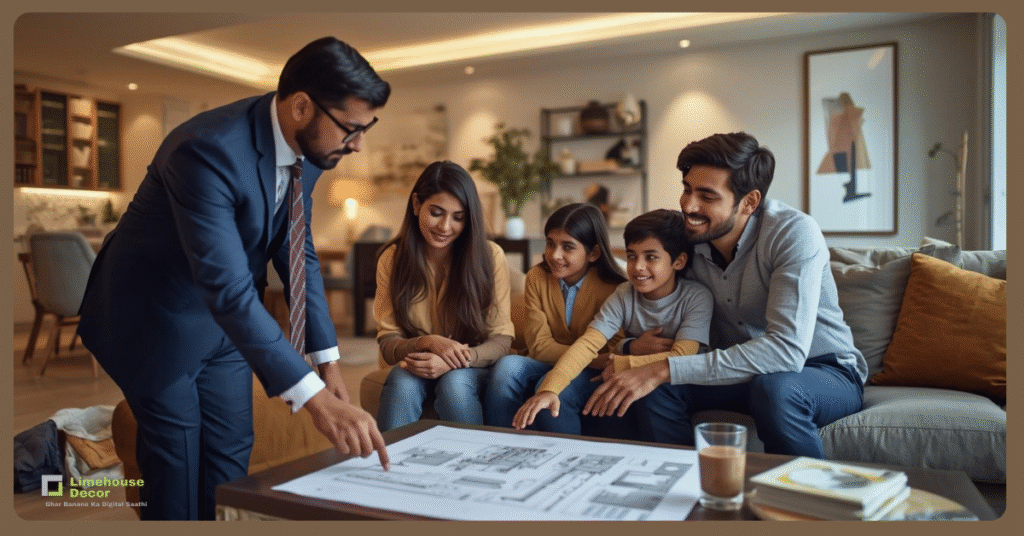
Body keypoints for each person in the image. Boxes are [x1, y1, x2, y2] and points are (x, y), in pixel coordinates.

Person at [77, 37, 391, 520]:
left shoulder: (312, 151)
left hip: (223, 324)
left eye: (366, 127)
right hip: (152, 320)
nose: (359, 143)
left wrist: (325, 359)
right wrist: (314, 400)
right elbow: (226, 287)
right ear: (302, 107)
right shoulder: (206, 150)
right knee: (177, 468)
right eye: (351, 128)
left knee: (230, 456)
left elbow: (297, 252)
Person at [584, 132, 867, 458]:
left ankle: (804, 503)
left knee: (775, 388)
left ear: (749, 202)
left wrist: (662, 368)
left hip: (824, 371)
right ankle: (680, 490)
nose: (688, 206)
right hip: (738, 372)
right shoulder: (687, 239)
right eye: (687, 189)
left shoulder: (792, 233)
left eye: (707, 196)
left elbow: (786, 352)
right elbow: (649, 306)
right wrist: (633, 350)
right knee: (654, 391)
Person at [513, 209, 713, 433]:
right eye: (631, 256)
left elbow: (682, 356)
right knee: (557, 392)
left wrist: (622, 363)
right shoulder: (624, 294)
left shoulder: (696, 297)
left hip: (677, 380)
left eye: (651, 257)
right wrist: (549, 390)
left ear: (679, 261)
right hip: (622, 370)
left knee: (654, 395)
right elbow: (588, 344)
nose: (637, 267)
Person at [375, 161, 514, 432]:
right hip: (416, 363)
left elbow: (501, 340)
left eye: (458, 217)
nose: (445, 226)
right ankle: (386, 468)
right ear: (416, 205)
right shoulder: (392, 259)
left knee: (454, 385)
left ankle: (474, 466)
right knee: (402, 383)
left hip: (474, 364)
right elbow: (388, 343)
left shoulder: (490, 256)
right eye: (436, 212)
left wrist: (453, 359)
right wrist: (427, 343)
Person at [484, 203, 627, 435]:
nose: (555, 255)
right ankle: (501, 442)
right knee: (507, 366)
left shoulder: (616, 288)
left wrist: (583, 361)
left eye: (567, 247)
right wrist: (589, 357)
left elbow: (613, 352)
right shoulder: (537, 278)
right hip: (555, 361)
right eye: (550, 244)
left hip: (590, 373)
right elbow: (539, 347)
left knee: (549, 388)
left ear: (594, 253)